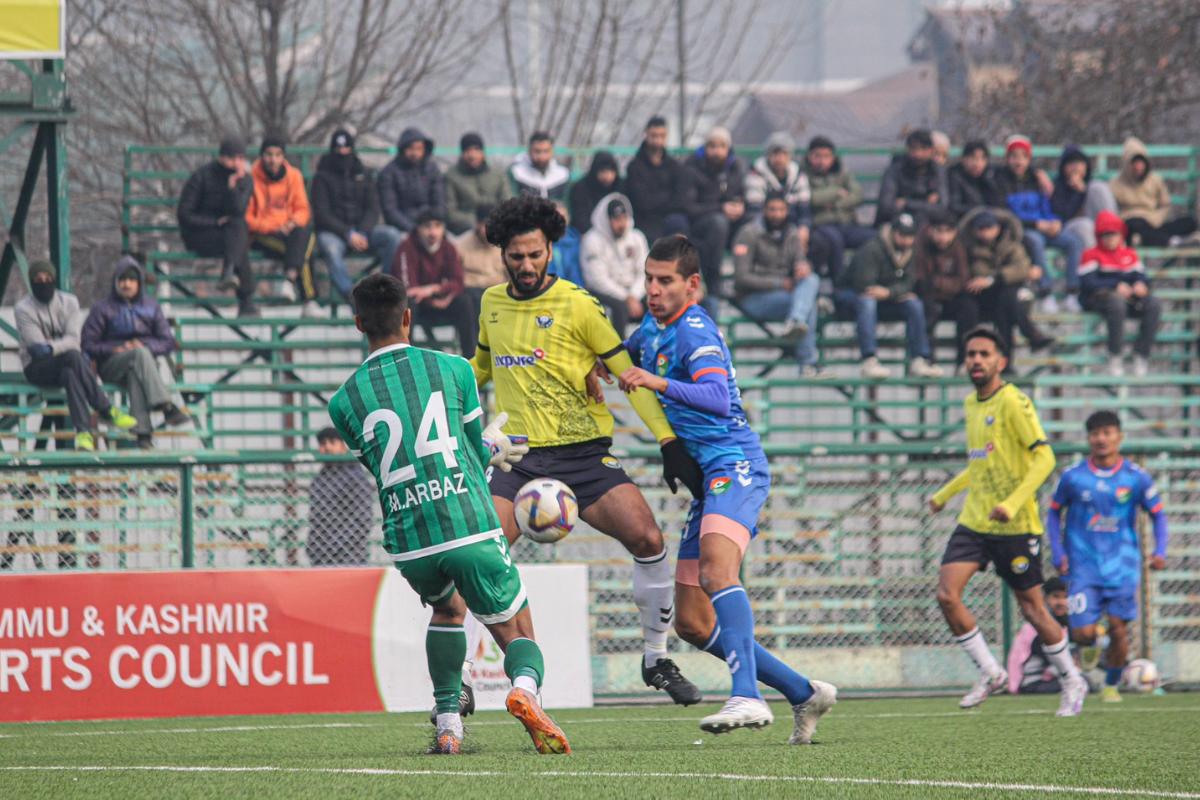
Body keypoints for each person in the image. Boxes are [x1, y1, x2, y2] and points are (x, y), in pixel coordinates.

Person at [474, 195, 704, 705]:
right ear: (503, 256)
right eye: (517, 256)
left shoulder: (578, 304)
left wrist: (667, 441)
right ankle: (467, 677)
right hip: (519, 458)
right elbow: (480, 369)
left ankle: (656, 658)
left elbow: (627, 374)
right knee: (480, 557)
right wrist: (446, 395)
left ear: (551, 249)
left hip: (583, 456)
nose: (528, 265)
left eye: (536, 254)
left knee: (647, 538)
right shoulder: (491, 303)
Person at [327, 272, 566, 755]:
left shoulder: (342, 402)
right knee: (517, 627)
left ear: (358, 324)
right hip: (466, 521)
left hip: (411, 539)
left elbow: (387, 465)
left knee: (447, 608)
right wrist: (496, 445)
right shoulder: (454, 370)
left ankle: (449, 726)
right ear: (408, 318)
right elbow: (473, 454)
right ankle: (524, 688)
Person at [618, 235, 837, 740]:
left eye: (665, 281)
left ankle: (748, 695)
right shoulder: (654, 325)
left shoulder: (695, 331)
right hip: (707, 481)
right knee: (692, 623)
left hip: (735, 465)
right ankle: (803, 692)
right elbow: (626, 353)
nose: (653, 289)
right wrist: (597, 367)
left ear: (691, 285)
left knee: (719, 573)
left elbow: (717, 397)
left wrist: (657, 384)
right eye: (649, 279)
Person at [928, 326, 1087, 717]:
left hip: (1015, 526)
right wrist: (944, 495)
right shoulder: (970, 404)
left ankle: (1071, 678)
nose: (976, 361)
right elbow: (979, 464)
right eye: (971, 354)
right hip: (976, 522)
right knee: (947, 594)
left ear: (1001, 361)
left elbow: (1045, 458)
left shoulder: (1015, 402)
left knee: (1033, 608)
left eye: (984, 354)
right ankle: (991, 672)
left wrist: (1014, 503)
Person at [1047, 410, 1169, 704]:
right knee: (1083, 633)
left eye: (1107, 433)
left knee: (1119, 629)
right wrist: (1058, 551)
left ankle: (1112, 686)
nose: (1101, 439)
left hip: (1122, 567)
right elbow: (1052, 512)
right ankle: (1091, 645)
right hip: (1082, 567)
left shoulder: (1135, 477)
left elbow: (1158, 515)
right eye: (1095, 434)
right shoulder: (1073, 477)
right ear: (1088, 439)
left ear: (1119, 436)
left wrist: (1160, 550)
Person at [16, 260, 136, 451]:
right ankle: (105, 409)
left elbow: (73, 339)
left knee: (70, 374)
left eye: (48, 278)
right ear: (32, 282)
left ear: (54, 280)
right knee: (72, 356)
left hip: (65, 365)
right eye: (38, 279)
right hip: (36, 368)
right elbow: (37, 350)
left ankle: (83, 433)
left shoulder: (69, 302)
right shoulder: (23, 308)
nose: (44, 282)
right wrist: (60, 346)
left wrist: (51, 346)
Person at [81, 256, 190, 449]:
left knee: (137, 365)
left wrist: (142, 344)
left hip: (142, 368)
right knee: (139, 355)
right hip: (112, 365)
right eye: (122, 280)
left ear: (138, 283)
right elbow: (88, 344)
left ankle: (143, 434)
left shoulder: (151, 307)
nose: (126, 284)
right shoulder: (102, 308)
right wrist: (116, 349)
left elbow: (167, 342)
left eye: (131, 280)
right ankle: (166, 405)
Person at [838, 212, 943, 379]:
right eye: (903, 235)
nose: (907, 241)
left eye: (910, 236)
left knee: (914, 303)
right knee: (867, 302)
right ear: (894, 232)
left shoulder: (912, 251)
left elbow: (909, 283)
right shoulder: (872, 248)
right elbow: (865, 286)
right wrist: (894, 292)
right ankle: (869, 359)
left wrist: (890, 292)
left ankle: (919, 359)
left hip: (886, 298)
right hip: (851, 298)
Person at [732, 193, 827, 378]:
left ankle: (796, 321)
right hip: (752, 299)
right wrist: (778, 283)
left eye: (781, 210)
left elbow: (800, 261)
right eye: (772, 210)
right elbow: (742, 278)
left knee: (812, 279)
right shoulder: (748, 233)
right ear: (764, 210)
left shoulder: (792, 233)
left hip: (787, 296)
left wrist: (803, 268)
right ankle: (807, 362)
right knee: (809, 304)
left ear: (787, 211)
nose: (777, 214)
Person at [311, 128, 404, 308]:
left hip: (364, 232)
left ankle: (383, 289)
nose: (343, 153)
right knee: (329, 246)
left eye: (346, 149)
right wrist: (347, 233)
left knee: (392, 236)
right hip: (335, 233)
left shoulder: (365, 174)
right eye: (339, 150)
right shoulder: (321, 177)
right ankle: (351, 295)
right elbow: (322, 214)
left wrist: (361, 232)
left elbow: (373, 208)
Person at [995, 134, 1084, 311]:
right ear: (1007, 159)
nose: (1018, 161)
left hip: (1044, 226)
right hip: (1023, 230)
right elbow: (1007, 216)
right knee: (1035, 241)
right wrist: (1036, 224)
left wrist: (1054, 222)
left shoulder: (1036, 179)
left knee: (1073, 242)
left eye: (1023, 156)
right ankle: (1045, 291)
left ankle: (1072, 292)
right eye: (1014, 156)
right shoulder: (1000, 181)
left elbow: (1047, 207)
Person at [958, 208, 1056, 370]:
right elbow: (977, 273)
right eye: (981, 229)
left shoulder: (1011, 244)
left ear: (997, 228)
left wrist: (993, 279)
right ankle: (1031, 335)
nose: (985, 233)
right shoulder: (969, 249)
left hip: (1007, 295)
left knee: (1007, 304)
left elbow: (1022, 267)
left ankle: (1007, 361)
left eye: (988, 228)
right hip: (982, 298)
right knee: (1005, 303)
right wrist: (1004, 277)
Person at [177, 134, 257, 317]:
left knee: (238, 230)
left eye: (240, 158)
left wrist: (232, 189)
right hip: (200, 234)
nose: (236, 163)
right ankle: (246, 300)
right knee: (238, 243)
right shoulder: (201, 176)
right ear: (221, 157)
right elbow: (185, 214)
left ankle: (229, 271)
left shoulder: (245, 180)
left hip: (228, 234)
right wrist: (214, 222)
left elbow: (237, 210)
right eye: (232, 158)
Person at [1079, 211, 1162, 378]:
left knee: (1154, 304)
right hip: (1101, 299)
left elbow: (1141, 276)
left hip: (1128, 299)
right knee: (1117, 304)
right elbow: (1088, 283)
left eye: (1113, 234)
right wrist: (1115, 286)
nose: (1109, 239)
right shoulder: (1091, 254)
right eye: (1105, 235)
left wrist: (1141, 285)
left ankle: (1141, 354)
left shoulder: (1129, 254)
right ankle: (1115, 354)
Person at [245, 133, 319, 316]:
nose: (273, 160)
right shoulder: (250, 178)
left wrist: (292, 222)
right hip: (263, 233)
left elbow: (303, 209)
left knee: (305, 234)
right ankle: (308, 299)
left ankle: (290, 278)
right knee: (303, 249)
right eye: (269, 155)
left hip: (289, 231)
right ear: (262, 155)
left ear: (283, 156)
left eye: (278, 155)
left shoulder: (294, 176)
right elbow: (248, 217)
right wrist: (273, 227)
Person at [681, 126, 747, 316]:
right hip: (701, 222)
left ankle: (745, 282)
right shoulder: (692, 167)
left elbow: (739, 194)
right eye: (712, 146)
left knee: (752, 225)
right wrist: (721, 208)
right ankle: (714, 281)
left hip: (730, 221)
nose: (717, 151)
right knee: (718, 224)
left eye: (722, 146)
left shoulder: (735, 167)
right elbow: (689, 207)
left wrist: (739, 207)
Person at [390, 210, 475, 356]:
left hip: (440, 301)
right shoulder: (406, 247)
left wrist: (436, 291)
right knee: (408, 303)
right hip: (419, 305)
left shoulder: (448, 247)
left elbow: (458, 282)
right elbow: (408, 289)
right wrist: (433, 297)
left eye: (437, 226)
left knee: (465, 301)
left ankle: (470, 360)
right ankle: (403, 357)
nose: (433, 232)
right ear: (418, 228)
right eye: (427, 226)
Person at [805, 135, 872, 284]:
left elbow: (858, 195)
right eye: (817, 156)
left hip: (847, 224)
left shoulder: (843, 172)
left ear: (833, 157)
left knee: (873, 238)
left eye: (826, 156)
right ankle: (839, 286)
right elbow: (810, 198)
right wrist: (836, 192)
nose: (822, 161)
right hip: (820, 225)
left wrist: (834, 204)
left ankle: (863, 283)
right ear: (809, 157)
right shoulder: (802, 174)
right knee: (834, 241)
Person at [1110, 136, 1199, 247]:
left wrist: (1155, 219)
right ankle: (1172, 241)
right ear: (1127, 164)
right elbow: (1112, 212)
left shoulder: (1155, 180)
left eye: (1141, 163)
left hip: (1153, 222)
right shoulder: (1116, 183)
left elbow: (1165, 205)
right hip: (1131, 223)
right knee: (1137, 224)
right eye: (1134, 163)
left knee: (1189, 222)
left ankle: (1169, 240)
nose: (1138, 167)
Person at [914, 207, 977, 365]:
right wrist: (939, 285)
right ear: (930, 231)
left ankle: (963, 360)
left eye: (948, 232)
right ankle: (927, 360)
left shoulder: (958, 247)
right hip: (928, 297)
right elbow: (920, 280)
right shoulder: (920, 246)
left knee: (969, 307)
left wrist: (939, 284)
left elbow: (963, 280)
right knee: (924, 309)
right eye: (939, 231)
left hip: (950, 297)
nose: (943, 237)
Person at [580, 194, 648, 335]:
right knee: (619, 308)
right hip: (605, 292)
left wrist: (634, 295)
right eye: (616, 219)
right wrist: (626, 298)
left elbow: (645, 271)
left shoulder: (637, 237)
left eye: (624, 218)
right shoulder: (592, 240)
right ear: (607, 220)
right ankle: (619, 350)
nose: (621, 224)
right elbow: (597, 280)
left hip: (635, 290)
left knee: (657, 298)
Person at [306, 426, 374, 566]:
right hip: (321, 556)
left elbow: (363, 519)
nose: (327, 447)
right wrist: (313, 547)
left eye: (332, 442)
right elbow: (315, 519)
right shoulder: (319, 480)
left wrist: (335, 546)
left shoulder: (355, 477)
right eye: (323, 444)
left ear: (344, 445)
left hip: (350, 557)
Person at [1006, 577, 1071, 695]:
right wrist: (1013, 687)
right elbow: (1016, 658)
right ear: (1045, 599)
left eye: (1065, 597)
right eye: (1056, 597)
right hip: (1033, 682)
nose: (1061, 602)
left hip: (1053, 678)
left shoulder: (1066, 625)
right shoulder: (1035, 628)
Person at [626, 116, 686, 242]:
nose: (658, 140)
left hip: (670, 217)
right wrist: (666, 197)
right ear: (646, 135)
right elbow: (642, 202)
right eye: (654, 135)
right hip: (644, 220)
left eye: (662, 136)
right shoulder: (635, 167)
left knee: (681, 230)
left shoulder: (674, 166)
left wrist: (657, 199)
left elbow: (680, 198)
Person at [378, 127, 445, 237]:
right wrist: (413, 229)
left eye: (419, 149)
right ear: (403, 149)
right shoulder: (389, 173)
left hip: (430, 225)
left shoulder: (432, 169)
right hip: (402, 228)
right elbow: (390, 211)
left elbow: (439, 202)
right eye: (411, 148)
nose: (415, 153)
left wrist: (432, 226)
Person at [874, 129, 948, 228]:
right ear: (908, 149)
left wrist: (907, 203)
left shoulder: (938, 171)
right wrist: (926, 203)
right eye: (914, 149)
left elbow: (942, 208)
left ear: (931, 150)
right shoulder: (895, 170)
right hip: (897, 224)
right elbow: (886, 207)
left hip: (927, 225)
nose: (918, 154)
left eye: (923, 149)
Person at [1050, 145, 1118, 249]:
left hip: (1097, 226)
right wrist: (1078, 193)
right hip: (1070, 227)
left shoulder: (1092, 186)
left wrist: (1084, 190)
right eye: (1071, 164)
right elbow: (1064, 215)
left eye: (1079, 163)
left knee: (1098, 187)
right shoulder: (1058, 187)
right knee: (1085, 226)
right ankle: (1095, 261)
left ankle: (1113, 232)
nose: (1076, 167)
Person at [444, 132, 512, 235]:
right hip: (464, 231)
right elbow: (450, 211)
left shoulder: (497, 174)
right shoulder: (451, 176)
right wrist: (477, 223)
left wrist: (494, 221)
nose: (472, 155)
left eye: (476, 149)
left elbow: (508, 204)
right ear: (462, 153)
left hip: (497, 228)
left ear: (483, 152)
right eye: (467, 150)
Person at [744, 132, 812, 234]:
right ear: (768, 155)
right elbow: (755, 209)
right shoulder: (757, 173)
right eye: (775, 153)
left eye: (784, 154)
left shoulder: (798, 175)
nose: (780, 158)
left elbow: (804, 209)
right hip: (764, 225)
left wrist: (804, 228)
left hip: (792, 224)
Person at [455, 204, 507, 321]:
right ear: (477, 224)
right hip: (474, 294)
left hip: (500, 292)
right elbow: (458, 278)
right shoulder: (460, 245)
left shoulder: (507, 244)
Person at [947, 140, 1004, 220]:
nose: (977, 163)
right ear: (963, 159)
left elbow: (998, 204)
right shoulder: (954, 176)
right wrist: (980, 211)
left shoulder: (991, 176)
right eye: (973, 158)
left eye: (982, 159)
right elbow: (954, 206)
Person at [569, 151, 623, 234]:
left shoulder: (620, 186)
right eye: (603, 171)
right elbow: (581, 219)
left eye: (611, 171)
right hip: (591, 234)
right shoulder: (581, 189)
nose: (607, 176)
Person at [510, 131, 570, 200]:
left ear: (552, 151)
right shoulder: (516, 174)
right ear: (529, 151)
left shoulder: (563, 175)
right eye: (537, 151)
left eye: (546, 151)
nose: (542, 157)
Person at [547, 201, 584, 285]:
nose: (561, 221)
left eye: (564, 216)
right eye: (557, 217)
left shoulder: (577, 241)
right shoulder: (546, 245)